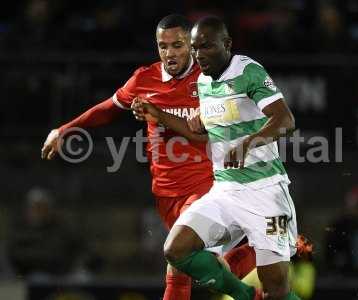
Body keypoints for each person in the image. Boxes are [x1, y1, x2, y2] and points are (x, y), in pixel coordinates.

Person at [41, 14, 255, 300]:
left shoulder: (210, 80)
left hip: (206, 186)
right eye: (163, 46)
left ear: (191, 46)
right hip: (165, 192)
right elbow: (109, 107)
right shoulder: (145, 79)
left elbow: (213, 135)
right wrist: (66, 128)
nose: (170, 53)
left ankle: (263, 261)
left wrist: (172, 116)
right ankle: (264, 255)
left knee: (176, 264)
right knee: (202, 270)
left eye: (177, 45)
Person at [134, 16, 302, 300]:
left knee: (275, 288)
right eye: (196, 48)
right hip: (225, 191)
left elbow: (286, 120)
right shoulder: (202, 82)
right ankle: (244, 295)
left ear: (227, 44)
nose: (200, 55)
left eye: (207, 47)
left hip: (265, 192)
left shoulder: (247, 71)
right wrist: (159, 115)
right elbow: (202, 136)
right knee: (176, 249)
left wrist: (248, 143)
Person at [6, 187, 86, 280]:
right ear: (28, 209)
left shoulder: (61, 228)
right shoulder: (19, 230)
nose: (38, 211)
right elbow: (14, 254)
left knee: (84, 278)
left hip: (64, 273)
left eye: (42, 207)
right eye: (35, 207)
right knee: (40, 278)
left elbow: (79, 247)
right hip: (32, 274)